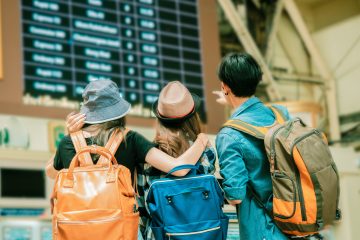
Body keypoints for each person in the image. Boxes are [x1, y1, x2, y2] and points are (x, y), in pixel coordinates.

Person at [45, 80, 210, 239]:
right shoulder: (129, 139)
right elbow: (179, 168)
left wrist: (70, 135)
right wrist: (202, 139)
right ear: (118, 111)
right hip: (120, 231)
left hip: (77, 232)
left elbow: (51, 172)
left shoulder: (68, 142)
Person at [214, 53, 290, 240]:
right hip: (295, 221)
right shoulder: (281, 114)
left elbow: (236, 196)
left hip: (263, 230)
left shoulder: (229, 135)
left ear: (224, 87)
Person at [136, 81, 216, 239]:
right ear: (193, 118)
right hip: (203, 233)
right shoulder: (206, 153)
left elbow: (143, 209)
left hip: (162, 234)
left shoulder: (149, 157)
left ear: (160, 119)